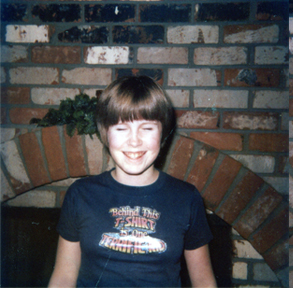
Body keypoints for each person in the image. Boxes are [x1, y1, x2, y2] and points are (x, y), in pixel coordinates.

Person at [48, 76, 217, 287]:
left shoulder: (187, 197)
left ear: (162, 133)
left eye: (147, 128)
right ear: (105, 134)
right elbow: (64, 276)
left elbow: (203, 281)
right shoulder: (80, 194)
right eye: (121, 128)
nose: (135, 141)